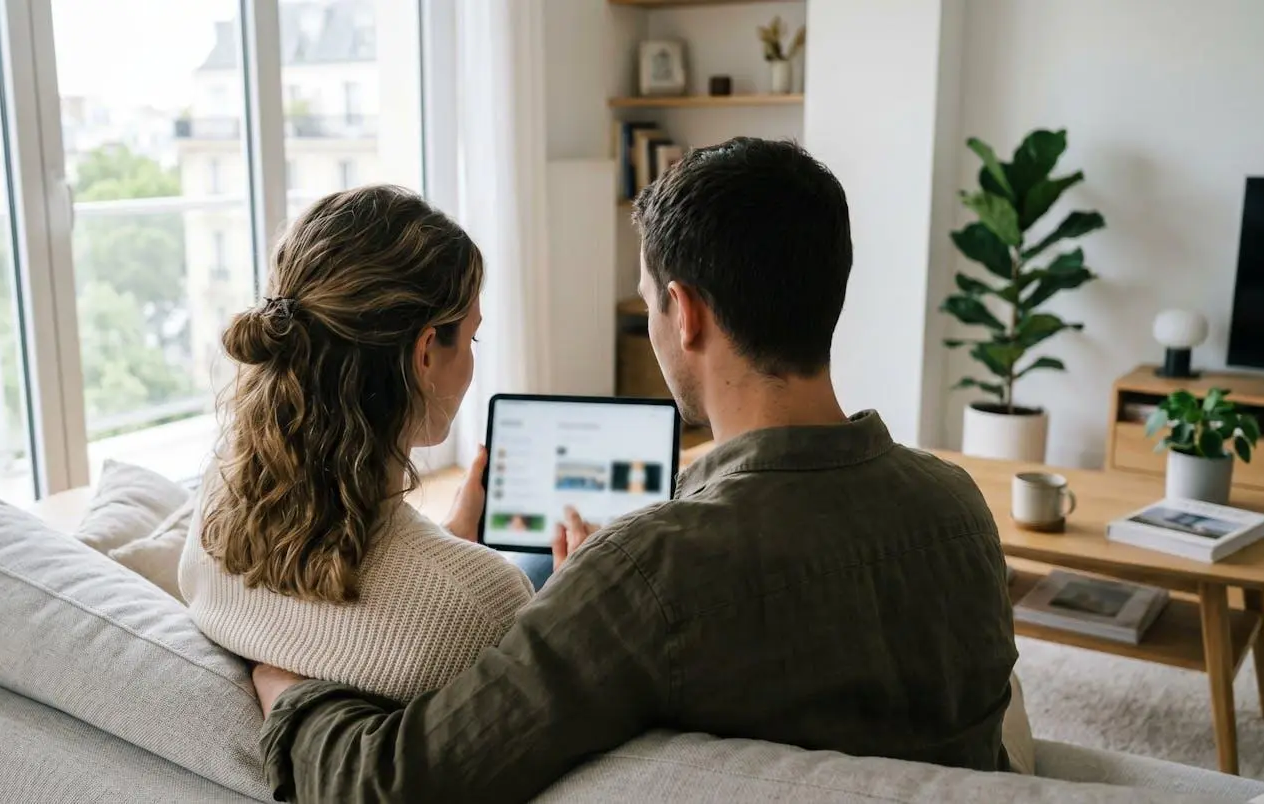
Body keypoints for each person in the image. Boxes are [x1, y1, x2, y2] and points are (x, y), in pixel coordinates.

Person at [253, 139, 1018, 802]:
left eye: (651, 303)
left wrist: (285, 687)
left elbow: (387, 785)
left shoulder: (646, 572)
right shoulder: (959, 505)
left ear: (684, 314)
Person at [178, 185, 592, 704]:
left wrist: (451, 542)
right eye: (471, 340)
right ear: (424, 354)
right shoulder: (483, 602)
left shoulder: (214, 510)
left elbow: (341, 613)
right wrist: (574, 601)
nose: (472, 358)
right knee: (545, 566)